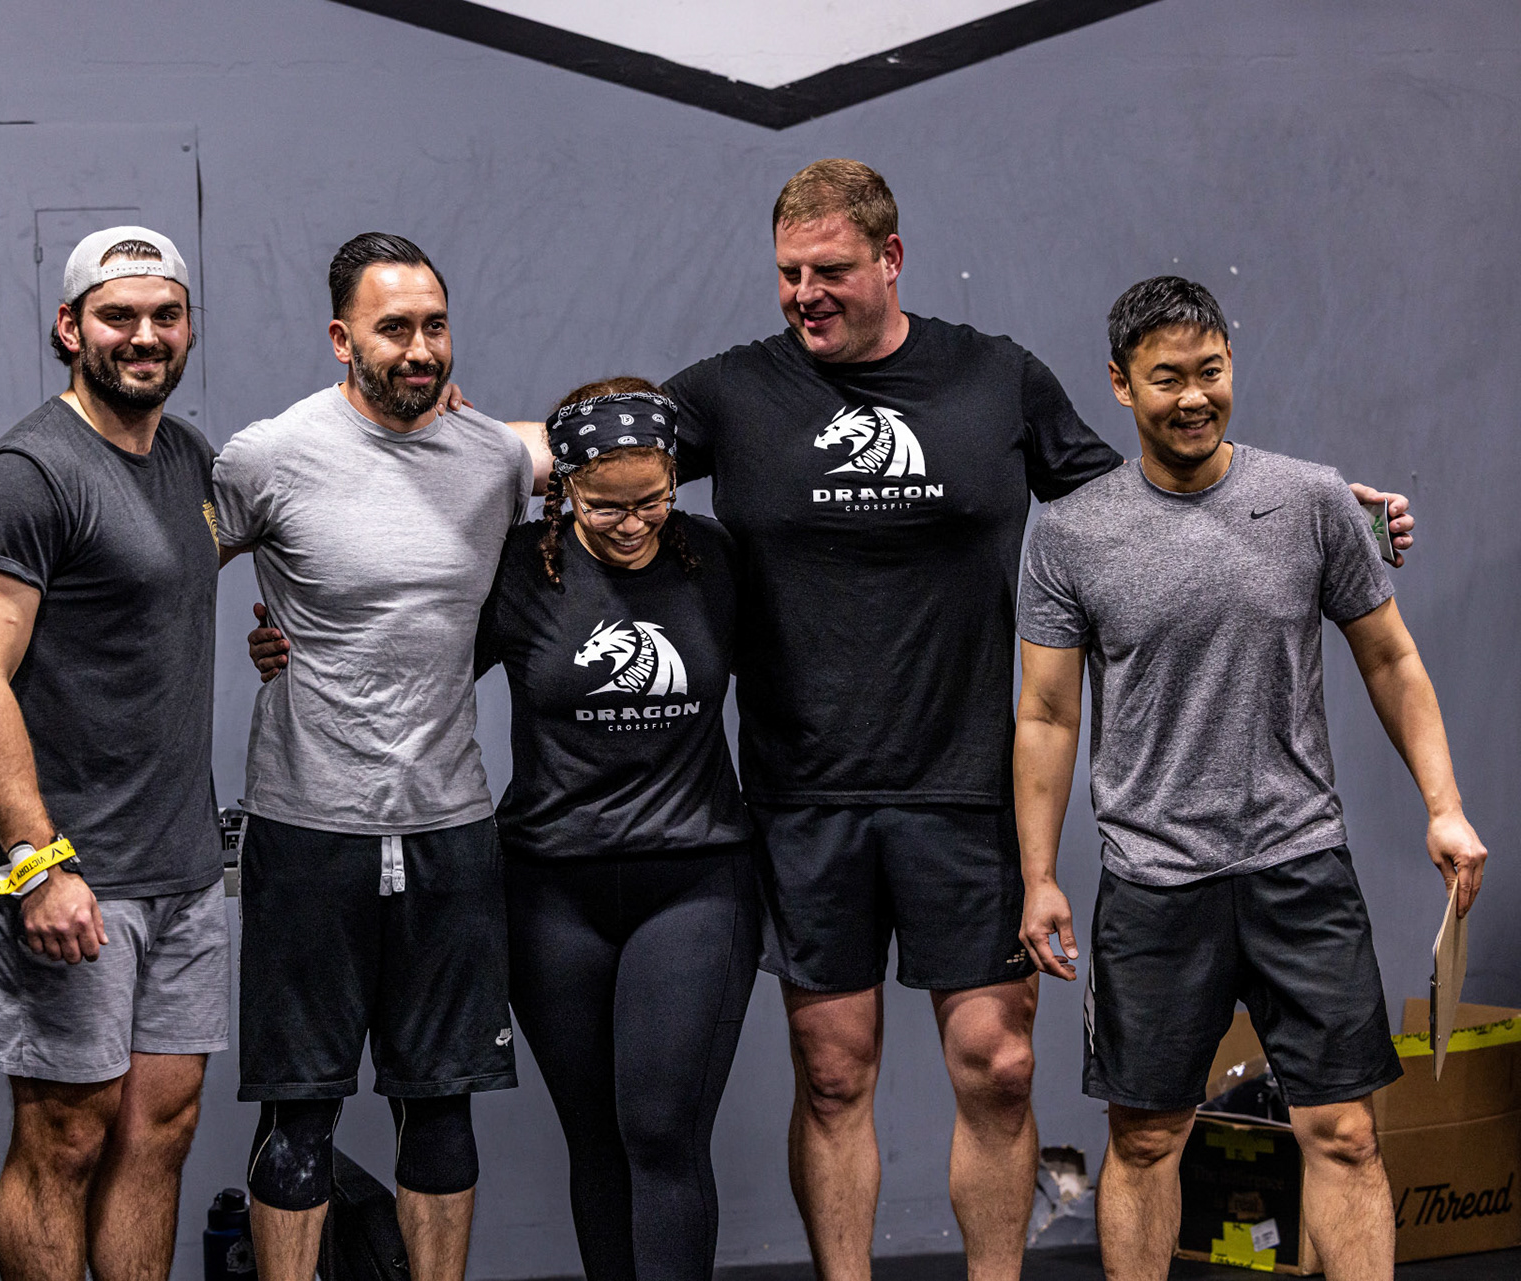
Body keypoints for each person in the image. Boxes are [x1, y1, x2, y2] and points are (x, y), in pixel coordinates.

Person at [246, 160, 1416, 1279]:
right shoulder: (732, 393)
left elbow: (1135, 499)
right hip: (805, 796)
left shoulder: (994, 378)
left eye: (831, 271)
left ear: (891, 258)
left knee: (999, 1068)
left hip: (965, 784)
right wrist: (423, 446)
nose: (805, 294)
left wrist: (1313, 508)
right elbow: (597, 455)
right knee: (836, 1075)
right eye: (789, 274)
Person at [1012, 275, 1487, 1281]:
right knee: (1147, 1138)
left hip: (1299, 868)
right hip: (1154, 882)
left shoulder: (1311, 500)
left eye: (1212, 371)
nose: (1194, 397)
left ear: (1232, 364)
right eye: (1167, 378)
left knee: (1346, 1134)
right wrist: (1040, 875)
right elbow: (1047, 715)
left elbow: (1392, 659)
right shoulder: (1070, 532)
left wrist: (1444, 809)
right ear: (1121, 384)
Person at [210, 232, 531, 1281]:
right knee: (299, 1115)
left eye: (435, 325)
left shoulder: (492, 460)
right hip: (309, 830)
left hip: (452, 828)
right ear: (342, 339)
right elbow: (150, 575)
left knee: (441, 1111)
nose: (420, 348)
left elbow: (614, 457)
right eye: (394, 328)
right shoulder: (269, 457)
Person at [0, 226, 232, 1281]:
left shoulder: (189, 459)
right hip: (68, 867)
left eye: (166, 315)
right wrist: (37, 863)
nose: (145, 336)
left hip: (181, 865)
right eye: (119, 316)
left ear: (188, 328)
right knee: (67, 1132)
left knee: (162, 1126)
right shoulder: (24, 474)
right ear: (70, 328)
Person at [479, 377, 757, 1281]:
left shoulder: (713, 559)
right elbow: (411, 666)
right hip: (551, 892)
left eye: (652, 500)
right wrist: (290, 649)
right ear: (564, 487)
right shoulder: (517, 570)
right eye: (606, 506)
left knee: (662, 1131)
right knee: (596, 1139)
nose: (633, 524)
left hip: (692, 881)